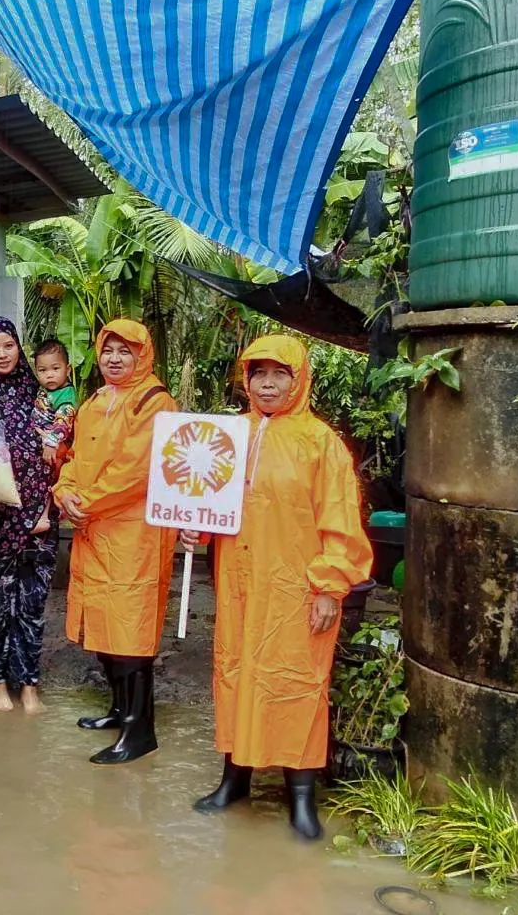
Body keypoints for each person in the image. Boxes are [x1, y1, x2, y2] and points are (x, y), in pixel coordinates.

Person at [181, 335, 371, 840]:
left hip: (297, 589)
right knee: (237, 676)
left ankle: (300, 796)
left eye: (278, 374)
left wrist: (331, 586)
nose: (267, 384)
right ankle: (234, 779)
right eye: (258, 373)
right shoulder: (227, 437)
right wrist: (194, 526)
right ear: (245, 380)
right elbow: (207, 502)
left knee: (297, 685)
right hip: (239, 584)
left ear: (298, 378)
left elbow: (341, 520)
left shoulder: (320, 443)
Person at [54, 319, 177, 765]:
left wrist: (84, 500)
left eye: (125, 351)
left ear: (142, 355)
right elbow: (71, 457)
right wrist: (63, 491)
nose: (114, 358)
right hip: (93, 528)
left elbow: (135, 470)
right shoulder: (94, 400)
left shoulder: (154, 402)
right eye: (108, 350)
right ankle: (119, 710)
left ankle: (140, 731)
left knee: (130, 631)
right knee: (103, 626)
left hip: (133, 534)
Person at [0, 317, 58, 714]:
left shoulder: (38, 393)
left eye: (8, 345)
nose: (2, 354)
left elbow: (59, 443)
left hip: (37, 516)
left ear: (19, 348)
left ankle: (30, 682)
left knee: (32, 606)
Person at [32, 337, 79, 478]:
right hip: (41, 437)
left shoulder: (66, 396)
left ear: (68, 369)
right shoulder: (47, 389)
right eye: (42, 370)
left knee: (54, 472)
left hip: (56, 444)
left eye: (55, 368)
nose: (49, 375)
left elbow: (63, 422)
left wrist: (51, 443)